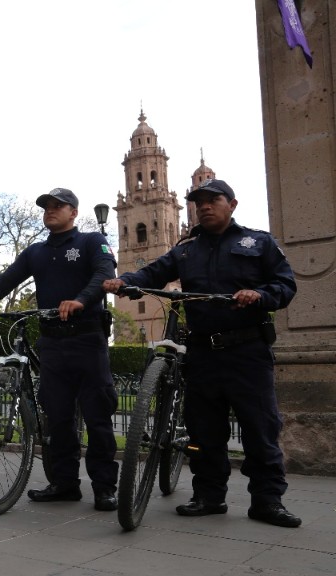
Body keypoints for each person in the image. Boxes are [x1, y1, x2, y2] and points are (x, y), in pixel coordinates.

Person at [103, 178, 300, 528]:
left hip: (247, 352)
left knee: (260, 428)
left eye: (213, 200)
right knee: (204, 432)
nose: (205, 206)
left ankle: (267, 502)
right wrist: (127, 281)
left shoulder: (258, 242)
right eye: (199, 201)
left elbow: (285, 284)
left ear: (232, 204)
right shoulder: (186, 250)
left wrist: (260, 295)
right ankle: (209, 496)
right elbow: (154, 272)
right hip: (202, 354)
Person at [0, 188, 119, 511]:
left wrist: (81, 300)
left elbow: (105, 273)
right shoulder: (36, 251)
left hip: (88, 340)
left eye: (58, 206)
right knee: (57, 417)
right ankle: (64, 483)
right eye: (46, 206)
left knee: (97, 417)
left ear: (74, 212)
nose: (50, 210)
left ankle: (105, 487)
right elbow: (5, 280)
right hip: (51, 342)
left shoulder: (90, 242)